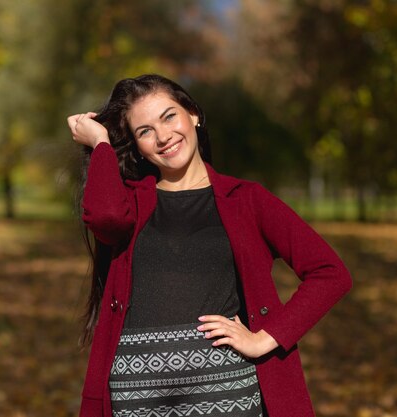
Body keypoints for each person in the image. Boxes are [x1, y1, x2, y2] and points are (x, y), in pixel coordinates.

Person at [67, 74, 352, 417]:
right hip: (136, 399)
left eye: (169, 116)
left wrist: (265, 337)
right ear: (137, 145)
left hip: (227, 394)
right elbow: (106, 218)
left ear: (194, 114)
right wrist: (101, 144)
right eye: (145, 131)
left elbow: (330, 273)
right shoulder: (132, 203)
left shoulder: (247, 200)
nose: (162, 136)